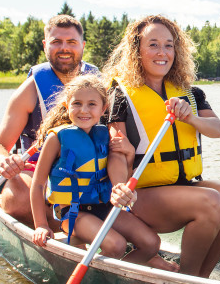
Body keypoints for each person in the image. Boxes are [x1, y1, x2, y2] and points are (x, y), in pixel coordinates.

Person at [102, 14, 220, 278]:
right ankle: (187, 279)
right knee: (210, 201)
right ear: (137, 50)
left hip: (183, 185)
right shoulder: (120, 95)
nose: (162, 52)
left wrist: (190, 116)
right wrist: (120, 186)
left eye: (169, 45)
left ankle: (201, 277)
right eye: (153, 44)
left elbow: (218, 130)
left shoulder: (190, 92)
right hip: (141, 195)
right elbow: (117, 151)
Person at [29, 74, 177, 271]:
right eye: (77, 104)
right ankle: (104, 278)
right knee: (116, 245)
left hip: (105, 207)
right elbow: (38, 183)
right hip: (74, 213)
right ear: (67, 105)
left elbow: (121, 176)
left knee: (151, 243)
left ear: (103, 108)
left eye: (92, 104)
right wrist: (40, 224)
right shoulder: (57, 138)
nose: (84, 110)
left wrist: (130, 155)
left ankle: (118, 275)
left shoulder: (104, 135)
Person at [0, 14, 98, 231]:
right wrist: (2, 162)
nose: (64, 48)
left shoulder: (98, 83)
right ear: (46, 45)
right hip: (39, 171)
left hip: (88, 168)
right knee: (16, 197)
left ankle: (84, 224)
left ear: (82, 46)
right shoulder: (30, 89)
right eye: (56, 42)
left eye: (71, 42)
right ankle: (65, 226)